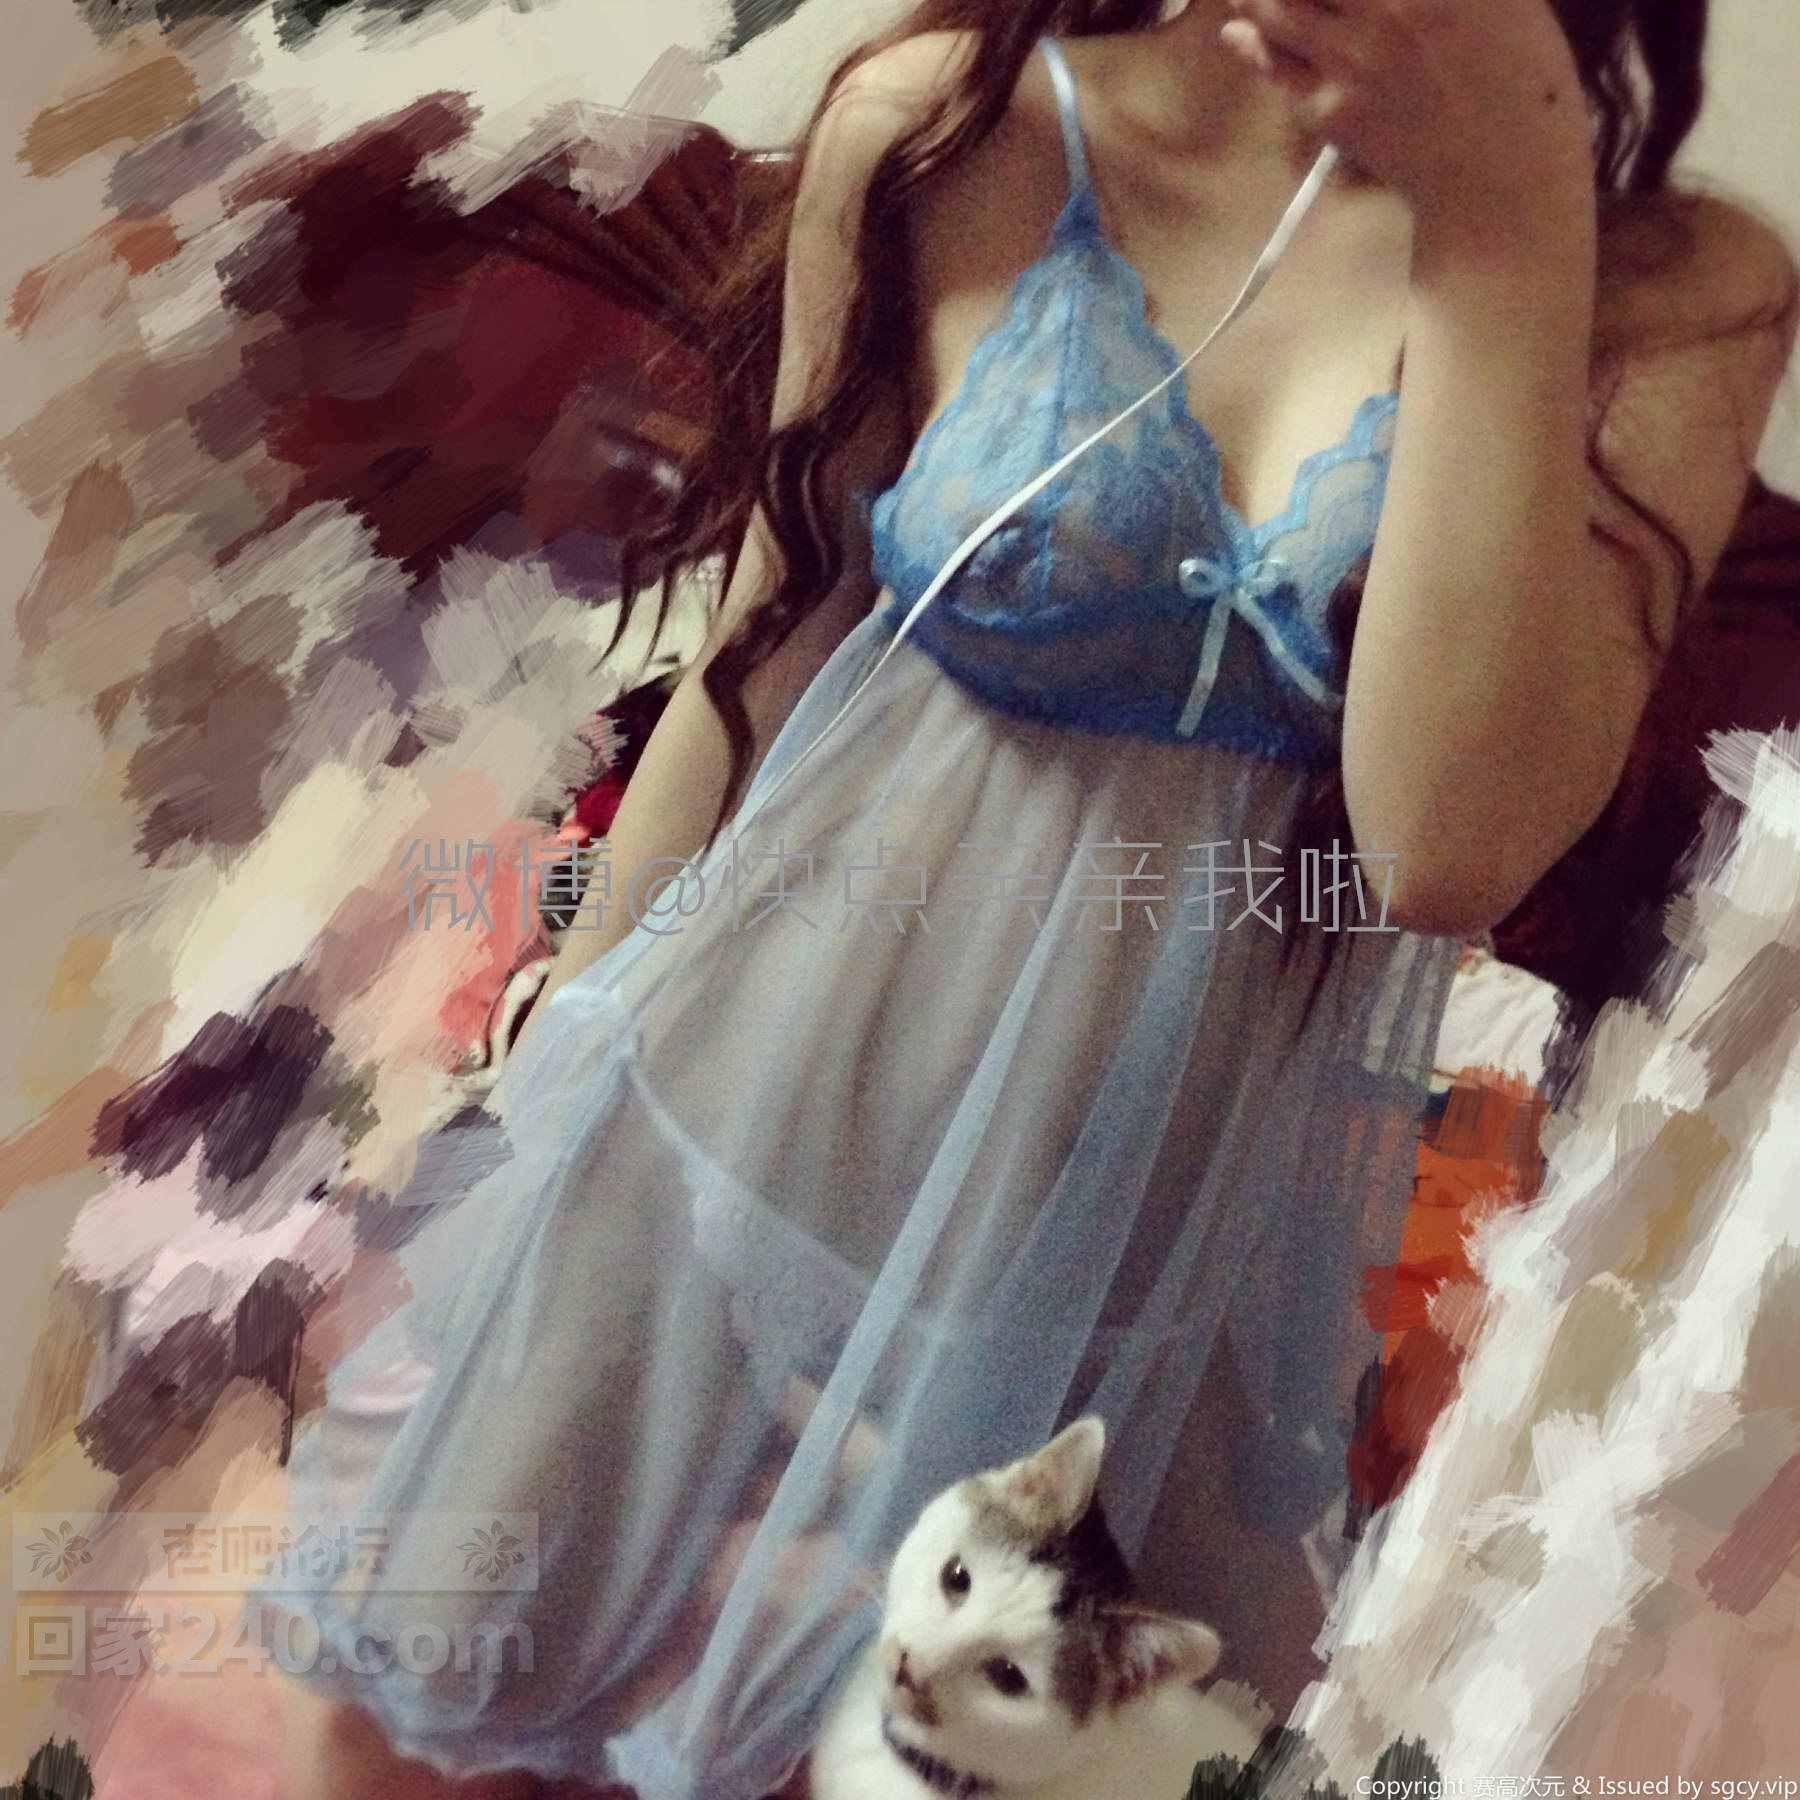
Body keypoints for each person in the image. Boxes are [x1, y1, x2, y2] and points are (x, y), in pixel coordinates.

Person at [263, 0, 1797, 1795]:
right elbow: (765, 650)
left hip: (1150, 1237)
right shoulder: (953, 127)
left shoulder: (1671, 295)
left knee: (1001, 1749)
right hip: (737, 1097)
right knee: (442, 1661)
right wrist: (564, 1051)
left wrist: (1507, 210)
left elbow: (1445, 851)